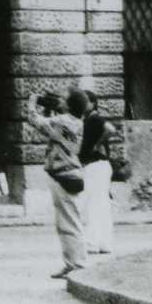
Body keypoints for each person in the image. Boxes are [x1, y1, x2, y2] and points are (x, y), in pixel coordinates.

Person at [34, 91, 85, 278]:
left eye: (64, 99)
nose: (60, 101)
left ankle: (77, 264)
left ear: (70, 106)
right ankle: (73, 263)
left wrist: (33, 104)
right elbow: (53, 132)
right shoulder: (75, 122)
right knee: (69, 221)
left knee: (68, 223)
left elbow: (36, 122)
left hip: (62, 175)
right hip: (71, 173)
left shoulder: (62, 121)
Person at [74, 90, 114, 257]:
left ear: (92, 103)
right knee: (100, 204)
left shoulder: (94, 118)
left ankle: (92, 242)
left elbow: (110, 129)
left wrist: (96, 144)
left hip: (95, 165)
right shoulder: (88, 119)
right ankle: (103, 242)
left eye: (85, 102)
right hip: (99, 166)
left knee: (91, 204)